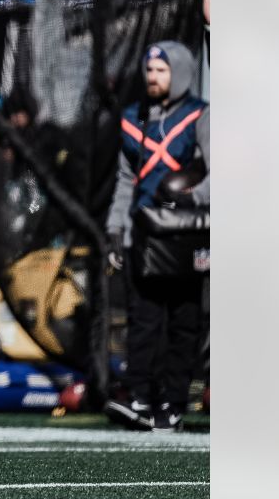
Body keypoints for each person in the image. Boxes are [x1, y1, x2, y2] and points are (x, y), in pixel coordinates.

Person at [103, 41, 209, 433]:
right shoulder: (134, 119)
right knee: (143, 321)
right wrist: (115, 230)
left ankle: (174, 402)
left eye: (161, 71)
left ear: (179, 73)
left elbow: (219, 171)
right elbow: (125, 181)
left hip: (184, 236)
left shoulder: (200, 116)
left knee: (184, 320)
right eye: (149, 70)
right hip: (142, 235)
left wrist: (188, 196)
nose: (153, 77)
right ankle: (141, 398)